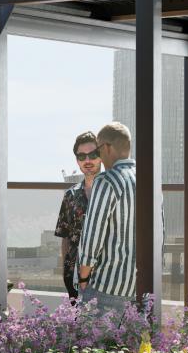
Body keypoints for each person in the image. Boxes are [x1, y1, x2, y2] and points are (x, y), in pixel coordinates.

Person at [77, 120, 138, 308]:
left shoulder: (107, 181)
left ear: (108, 147)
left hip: (106, 288)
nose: (99, 157)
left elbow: (92, 237)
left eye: (98, 150)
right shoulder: (148, 179)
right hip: (139, 288)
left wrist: (83, 278)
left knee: (92, 338)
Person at [53, 131, 102, 301]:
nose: (87, 161)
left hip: (105, 277)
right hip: (73, 274)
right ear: (77, 160)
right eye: (82, 156)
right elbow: (64, 236)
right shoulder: (70, 195)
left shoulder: (113, 192)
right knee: (77, 323)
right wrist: (66, 270)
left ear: (101, 156)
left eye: (93, 155)